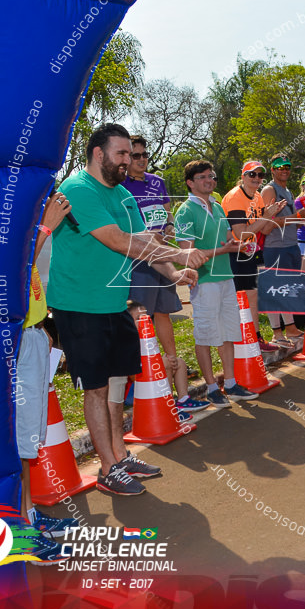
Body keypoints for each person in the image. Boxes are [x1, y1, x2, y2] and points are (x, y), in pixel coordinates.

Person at [48, 124, 203, 495]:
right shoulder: (77, 190)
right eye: (121, 154)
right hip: (79, 306)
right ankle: (107, 468)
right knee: (97, 390)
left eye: (131, 155)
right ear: (98, 154)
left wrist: (173, 271)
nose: (128, 162)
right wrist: (179, 253)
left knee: (116, 383)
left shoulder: (122, 195)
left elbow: (146, 242)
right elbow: (119, 242)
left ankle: (119, 454)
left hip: (115, 304)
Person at [122, 135, 206, 413]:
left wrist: (169, 228)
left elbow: (167, 214)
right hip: (138, 259)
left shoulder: (157, 182)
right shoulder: (120, 185)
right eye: (136, 155)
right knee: (140, 315)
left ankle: (170, 363)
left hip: (164, 256)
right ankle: (139, 374)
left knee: (164, 312)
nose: (142, 159)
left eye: (145, 155)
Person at [16, 192, 79, 561]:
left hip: (35, 333)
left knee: (28, 439)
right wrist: (45, 227)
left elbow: (36, 271)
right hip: (18, 341)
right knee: (20, 442)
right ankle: (20, 526)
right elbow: (7, 272)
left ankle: (28, 513)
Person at [174, 160, 258, 408]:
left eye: (212, 176)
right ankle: (212, 387)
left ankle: (230, 383)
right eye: (203, 177)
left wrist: (236, 245)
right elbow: (188, 253)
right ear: (190, 182)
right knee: (205, 335)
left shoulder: (219, 207)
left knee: (229, 333)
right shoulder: (185, 211)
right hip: (204, 281)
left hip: (226, 277)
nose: (209, 180)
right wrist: (223, 250)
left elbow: (226, 240)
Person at [221, 160, 286, 350]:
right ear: (243, 176)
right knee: (237, 298)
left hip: (248, 251)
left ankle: (254, 338)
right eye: (252, 174)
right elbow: (241, 233)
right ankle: (239, 342)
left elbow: (262, 229)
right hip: (232, 252)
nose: (256, 178)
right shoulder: (235, 197)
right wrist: (266, 217)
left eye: (260, 175)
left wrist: (272, 215)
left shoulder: (257, 197)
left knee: (252, 295)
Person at [259, 155, 305, 345]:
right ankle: (276, 333)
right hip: (276, 248)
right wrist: (297, 216)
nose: (284, 170)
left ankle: (291, 329)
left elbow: (287, 221)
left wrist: (299, 220)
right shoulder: (270, 190)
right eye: (279, 167)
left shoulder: (287, 191)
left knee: (289, 289)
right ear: (272, 170)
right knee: (275, 290)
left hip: (291, 245)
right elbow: (267, 225)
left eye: (287, 166)